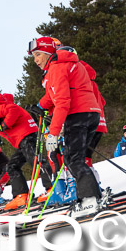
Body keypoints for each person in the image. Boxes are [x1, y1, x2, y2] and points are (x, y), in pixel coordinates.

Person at [27, 36, 103, 217]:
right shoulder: (71, 63)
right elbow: (60, 93)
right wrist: (40, 106)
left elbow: (62, 102)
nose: (36, 60)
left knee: (72, 158)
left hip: (77, 115)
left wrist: (53, 133)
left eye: (38, 55)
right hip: (92, 112)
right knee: (79, 157)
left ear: (47, 52)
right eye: (34, 56)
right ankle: (92, 195)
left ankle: (89, 199)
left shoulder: (56, 68)